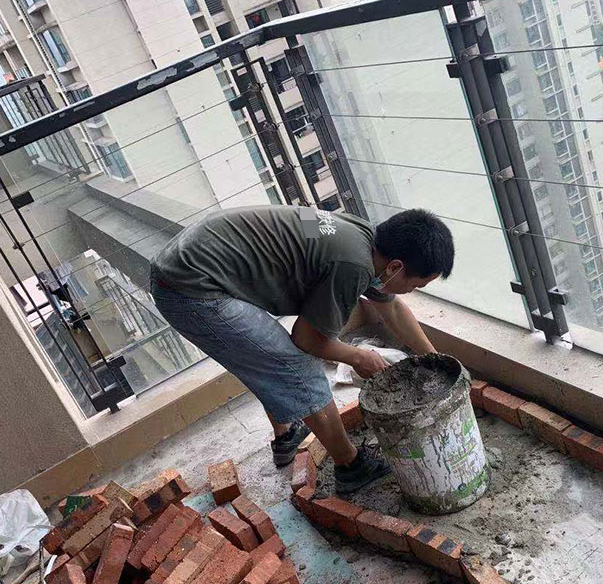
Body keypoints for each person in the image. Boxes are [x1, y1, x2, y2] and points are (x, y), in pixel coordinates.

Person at [150, 204, 454, 493]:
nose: (411, 291)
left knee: (267, 355)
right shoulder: (352, 265)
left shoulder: (361, 236)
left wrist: (434, 359)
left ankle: (287, 436)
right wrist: (359, 356)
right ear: (396, 267)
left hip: (196, 258)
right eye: (416, 285)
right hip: (189, 287)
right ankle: (351, 466)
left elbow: (392, 308)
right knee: (295, 366)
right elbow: (308, 340)